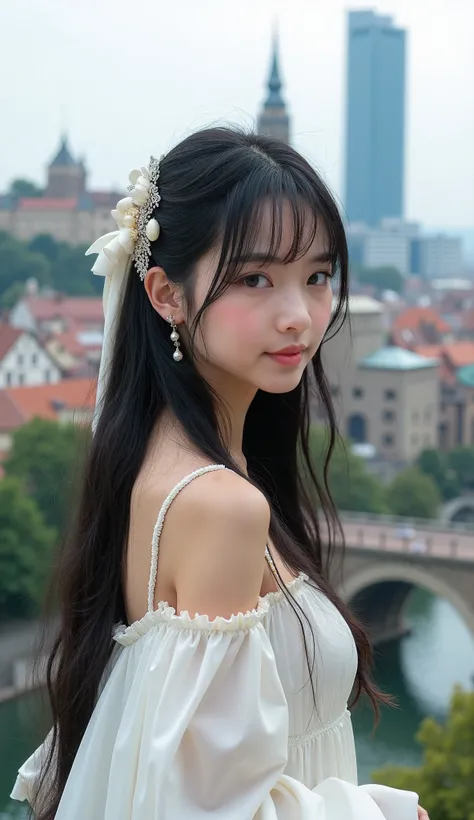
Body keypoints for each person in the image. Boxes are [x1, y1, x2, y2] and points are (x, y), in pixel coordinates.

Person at [10, 127, 428, 819]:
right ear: (166, 294)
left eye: (318, 277)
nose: (300, 316)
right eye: (255, 278)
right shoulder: (220, 505)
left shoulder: (151, 458)